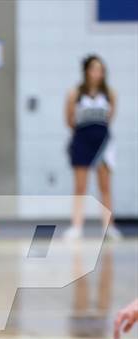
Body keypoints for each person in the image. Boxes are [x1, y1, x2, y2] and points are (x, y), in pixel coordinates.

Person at [64, 55, 122, 241]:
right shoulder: (75, 93)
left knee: (105, 186)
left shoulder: (110, 93)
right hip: (82, 141)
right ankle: (76, 227)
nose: (97, 73)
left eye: (100, 69)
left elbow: (110, 117)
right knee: (80, 187)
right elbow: (69, 119)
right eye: (94, 69)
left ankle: (109, 227)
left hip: (103, 143)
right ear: (86, 71)